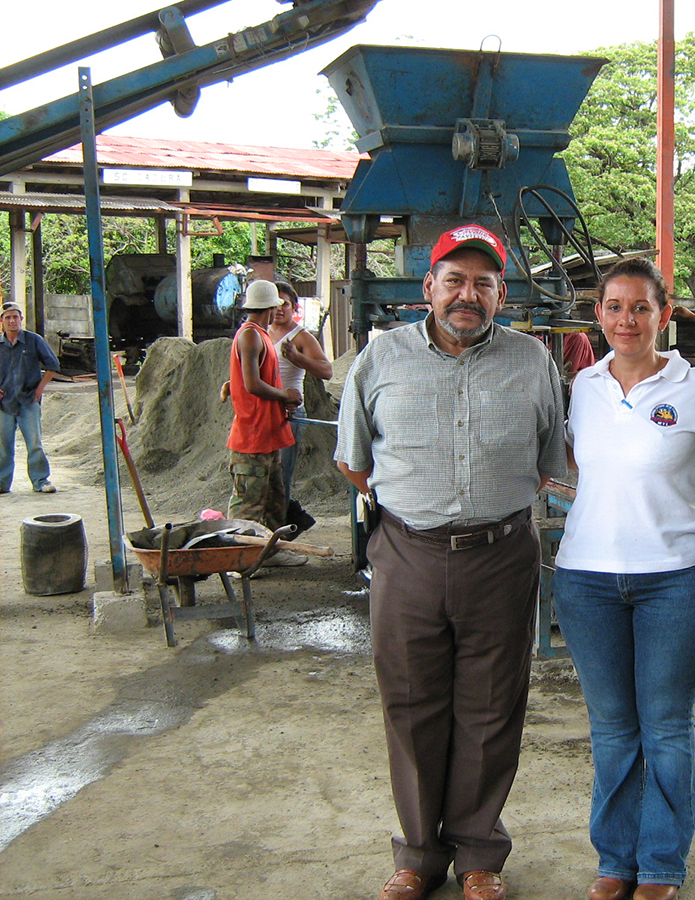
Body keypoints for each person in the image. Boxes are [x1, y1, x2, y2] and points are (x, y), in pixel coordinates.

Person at [334, 223, 566, 900]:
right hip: (407, 552)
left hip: (500, 557)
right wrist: (417, 508)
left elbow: (549, 462)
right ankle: (417, 857)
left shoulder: (533, 362)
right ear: (427, 287)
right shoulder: (378, 361)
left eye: (484, 284)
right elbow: (355, 461)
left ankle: (478, 856)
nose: (469, 295)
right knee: (410, 704)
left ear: (503, 295)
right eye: (455, 280)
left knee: (492, 707)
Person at [551, 258, 695, 900]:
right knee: (613, 725)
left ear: (664, 315)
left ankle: (662, 866)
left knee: (666, 724)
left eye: (641, 307)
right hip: (587, 579)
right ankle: (615, 861)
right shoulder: (582, 386)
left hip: (676, 578)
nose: (627, 319)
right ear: (598, 314)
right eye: (614, 307)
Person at [226, 280, 306, 565]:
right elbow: (252, 384)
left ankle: (269, 552)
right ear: (270, 308)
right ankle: (238, 560)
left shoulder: (260, 335)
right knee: (249, 504)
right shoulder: (250, 336)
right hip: (252, 436)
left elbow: (246, 378)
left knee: (274, 501)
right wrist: (285, 393)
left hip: (269, 432)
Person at [269, 281, 333, 533]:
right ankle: (283, 525)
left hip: (289, 415)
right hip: (263, 414)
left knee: (281, 478)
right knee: (265, 477)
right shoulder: (260, 332)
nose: (279, 308)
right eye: (274, 303)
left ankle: (281, 533)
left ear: (294, 307)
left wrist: (297, 358)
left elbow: (326, 371)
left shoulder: (300, 337)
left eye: (284, 303)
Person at [0, 301, 60, 494]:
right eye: (7, 317)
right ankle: (2, 483)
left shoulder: (33, 340)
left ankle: (40, 481)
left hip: (29, 401)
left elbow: (52, 365)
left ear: (21, 319)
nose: (12, 321)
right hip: (4, 403)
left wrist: (40, 388)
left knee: (34, 444)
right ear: (1, 321)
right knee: (3, 445)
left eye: (15, 317)